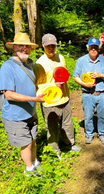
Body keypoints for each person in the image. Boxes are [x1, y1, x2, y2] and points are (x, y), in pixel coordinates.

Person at [0, 32, 45, 176]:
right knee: (25, 143)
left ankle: (35, 161)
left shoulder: (31, 63)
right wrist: (35, 100)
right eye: (20, 45)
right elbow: (9, 94)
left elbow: (38, 83)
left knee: (32, 139)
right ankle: (29, 170)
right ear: (14, 47)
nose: (24, 48)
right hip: (15, 115)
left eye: (27, 46)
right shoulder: (7, 67)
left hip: (30, 112)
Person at [34, 34, 81, 159]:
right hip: (50, 102)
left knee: (67, 124)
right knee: (52, 127)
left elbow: (63, 75)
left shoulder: (61, 58)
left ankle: (69, 144)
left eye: (53, 46)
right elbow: (38, 85)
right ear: (43, 45)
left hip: (64, 98)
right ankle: (55, 151)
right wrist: (53, 85)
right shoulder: (39, 63)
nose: (51, 48)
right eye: (48, 46)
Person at [73, 38, 104, 145]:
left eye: (95, 47)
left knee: (102, 116)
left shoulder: (103, 59)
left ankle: (102, 134)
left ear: (98, 49)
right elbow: (75, 76)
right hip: (87, 94)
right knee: (88, 116)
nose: (93, 49)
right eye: (91, 47)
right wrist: (85, 84)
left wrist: (100, 75)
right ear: (88, 48)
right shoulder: (81, 61)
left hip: (102, 93)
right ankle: (89, 134)